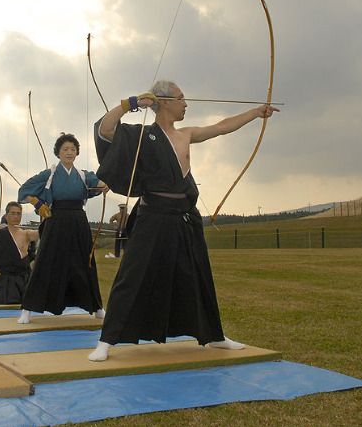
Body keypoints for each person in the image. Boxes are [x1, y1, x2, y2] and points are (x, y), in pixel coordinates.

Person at [88, 80, 278, 361]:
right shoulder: (142, 136)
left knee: (199, 274)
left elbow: (221, 127)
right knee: (132, 274)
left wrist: (255, 112)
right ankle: (106, 341)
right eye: (181, 98)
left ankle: (214, 335)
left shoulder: (185, 134)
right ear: (163, 102)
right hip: (153, 215)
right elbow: (105, 129)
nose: (186, 104)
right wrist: (130, 104)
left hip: (185, 217)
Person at [16, 133, 108, 323]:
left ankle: (96, 306)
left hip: (78, 221)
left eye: (73, 149)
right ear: (58, 152)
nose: (69, 152)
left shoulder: (83, 175)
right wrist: (37, 202)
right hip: (55, 220)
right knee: (45, 261)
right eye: (65, 149)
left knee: (85, 262)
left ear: (77, 153)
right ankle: (28, 307)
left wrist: (104, 185)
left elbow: (99, 184)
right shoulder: (48, 174)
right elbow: (23, 191)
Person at [0, 202, 37, 305]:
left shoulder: (26, 234)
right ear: (6, 215)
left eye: (19, 214)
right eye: (13, 213)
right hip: (5, 281)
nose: (16, 216)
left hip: (24, 280)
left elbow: (44, 232)